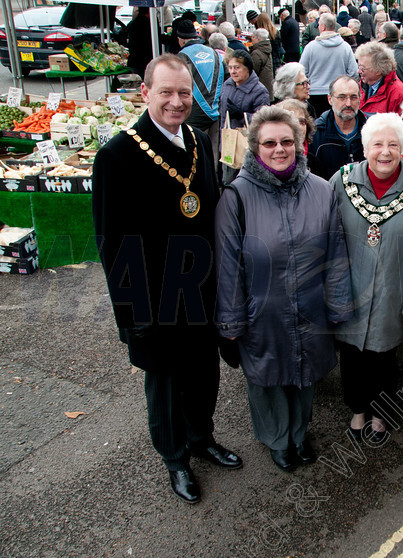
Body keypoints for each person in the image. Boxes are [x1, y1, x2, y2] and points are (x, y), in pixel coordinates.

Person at [92, 54, 242, 505]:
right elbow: (112, 243)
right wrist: (134, 314)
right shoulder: (117, 154)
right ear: (145, 93)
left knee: (204, 374)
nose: (177, 102)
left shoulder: (197, 138)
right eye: (167, 93)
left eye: (184, 93)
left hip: (201, 288)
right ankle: (175, 459)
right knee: (165, 383)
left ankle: (202, 438)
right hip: (156, 298)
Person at [215, 105, 352, 472]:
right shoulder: (236, 196)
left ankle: (299, 433)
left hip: (310, 307)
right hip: (264, 311)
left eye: (287, 141)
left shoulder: (322, 190)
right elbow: (228, 265)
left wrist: (338, 307)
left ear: (300, 144)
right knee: (269, 380)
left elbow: (336, 252)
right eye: (270, 142)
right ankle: (278, 439)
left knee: (305, 375)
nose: (280, 149)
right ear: (255, 147)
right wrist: (231, 322)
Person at [330, 113, 403, 444]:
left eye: (393, 144)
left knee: (384, 360)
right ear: (365, 147)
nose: (385, 152)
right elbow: (325, 237)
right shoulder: (341, 181)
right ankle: (358, 410)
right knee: (351, 358)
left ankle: (380, 416)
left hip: (393, 293)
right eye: (378, 144)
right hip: (349, 292)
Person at [176, 20, 225, 163]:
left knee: (195, 153)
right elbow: (227, 77)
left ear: (181, 40)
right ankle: (214, 182)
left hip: (194, 113)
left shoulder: (181, 56)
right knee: (213, 151)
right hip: (215, 110)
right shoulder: (215, 54)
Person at [220, 50, 271, 185]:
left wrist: (243, 115)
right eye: (230, 68)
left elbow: (264, 120)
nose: (233, 71)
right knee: (228, 181)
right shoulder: (227, 85)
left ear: (247, 68)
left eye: (237, 68)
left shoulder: (259, 90)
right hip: (229, 142)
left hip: (247, 145)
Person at [310, 75, 367, 180]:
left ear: (360, 99)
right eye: (342, 97)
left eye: (353, 97)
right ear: (330, 99)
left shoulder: (371, 130)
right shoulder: (315, 134)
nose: (348, 103)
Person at [301, 13, 359, 115]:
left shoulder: (310, 47)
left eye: (319, 25)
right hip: (339, 94)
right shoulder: (345, 47)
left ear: (323, 27)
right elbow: (353, 72)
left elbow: (301, 72)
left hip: (315, 93)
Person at [357, 41, 403, 115]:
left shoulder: (399, 94)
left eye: (362, 68)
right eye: (358, 66)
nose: (358, 71)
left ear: (378, 70)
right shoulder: (360, 86)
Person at [126, 7, 153, 77]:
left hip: (135, 60)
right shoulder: (147, 24)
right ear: (149, 11)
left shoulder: (133, 22)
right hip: (143, 60)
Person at [250, 28, 275, 95]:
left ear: (258, 39)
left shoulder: (256, 53)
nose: (251, 38)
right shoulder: (266, 48)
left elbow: (253, 71)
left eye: (253, 37)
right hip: (267, 87)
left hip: (260, 89)